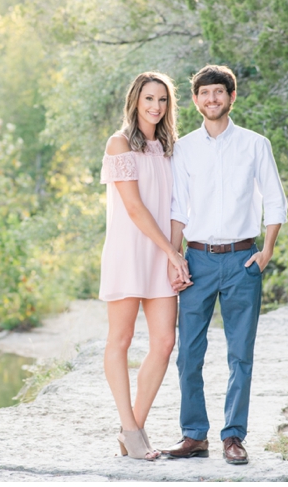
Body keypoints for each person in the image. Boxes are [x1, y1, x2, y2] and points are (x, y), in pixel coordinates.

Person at [162, 65, 287, 464]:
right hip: (197, 259)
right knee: (188, 353)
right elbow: (178, 207)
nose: (212, 99)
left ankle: (233, 436)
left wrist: (266, 252)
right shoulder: (183, 148)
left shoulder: (255, 144)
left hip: (242, 259)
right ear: (195, 100)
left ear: (232, 97)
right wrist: (175, 256)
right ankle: (194, 435)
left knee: (240, 353)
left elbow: (275, 198)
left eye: (219, 92)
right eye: (204, 93)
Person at [99, 72, 191, 461]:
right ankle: (132, 430)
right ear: (135, 100)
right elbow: (134, 208)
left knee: (165, 343)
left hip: (163, 253)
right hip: (128, 250)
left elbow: (176, 206)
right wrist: (172, 254)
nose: (156, 107)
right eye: (149, 99)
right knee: (119, 341)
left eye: (163, 100)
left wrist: (174, 252)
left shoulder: (171, 148)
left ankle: (132, 428)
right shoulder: (119, 143)